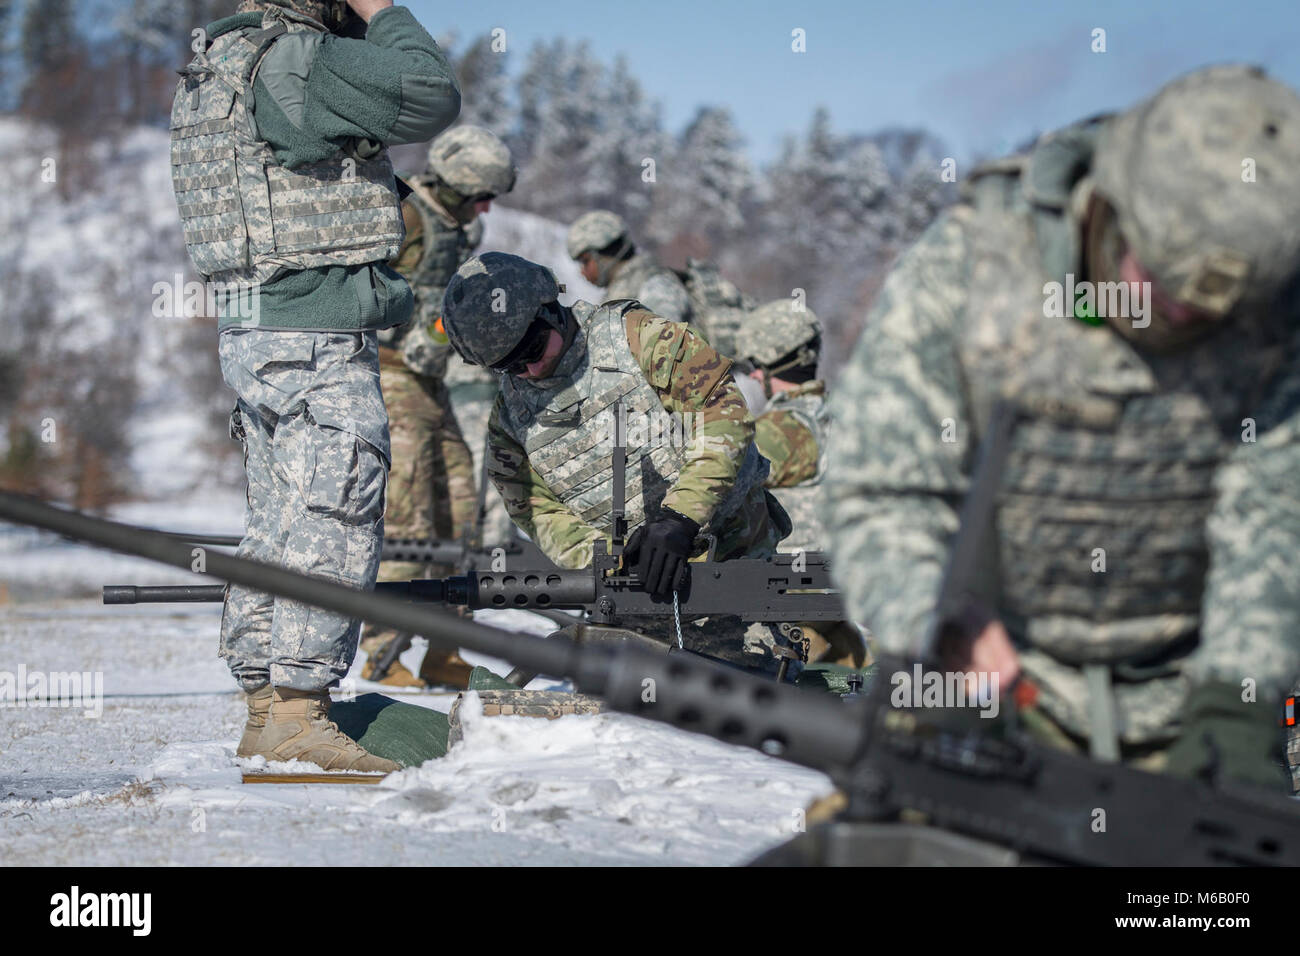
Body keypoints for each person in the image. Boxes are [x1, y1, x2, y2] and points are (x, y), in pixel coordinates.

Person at [823, 65, 1300, 787]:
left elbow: (1273, 516)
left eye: (1212, 313)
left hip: (1195, 699)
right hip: (998, 679)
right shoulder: (971, 265)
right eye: (1160, 284)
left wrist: (1237, 703)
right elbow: (884, 489)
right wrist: (934, 627)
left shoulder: (1278, 320)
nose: (1179, 317)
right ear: (1111, 205)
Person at [170, 0, 459, 771]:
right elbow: (429, 90)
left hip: (257, 331)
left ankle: (268, 712)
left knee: (282, 520)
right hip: (312, 334)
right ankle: (301, 714)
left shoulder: (220, 63)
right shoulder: (296, 59)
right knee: (335, 513)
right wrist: (382, 10)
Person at [439, 252, 799, 666]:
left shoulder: (640, 337)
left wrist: (679, 518)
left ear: (550, 310)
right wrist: (612, 561)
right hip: (639, 599)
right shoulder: (509, 421)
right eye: (509, 366)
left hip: (736, 567)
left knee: (752, 694)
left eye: (533, 349)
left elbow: (722, 415)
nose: (530, 369)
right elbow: (535, 509)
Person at [359, 125, 515, 689]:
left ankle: (447, 647)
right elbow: (366, 290)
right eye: (480, 196)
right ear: (456, 185)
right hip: (392, 378)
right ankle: (382, 653)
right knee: (406, 522)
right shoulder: (407, 217)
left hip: (433, 382)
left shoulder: (454, 227)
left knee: (459, 515)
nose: (486, 208)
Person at [736, 299, 865, 667]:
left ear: (767, 363)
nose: (755, 377)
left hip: (794, 600)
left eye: (754, 366)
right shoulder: (839, 415)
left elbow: (721, 478)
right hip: (834, 595)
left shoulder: (783, 430)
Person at [565, 210, 692, 325]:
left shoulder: (655, 284)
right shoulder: (620, 293)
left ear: (604, 254)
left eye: (585, 261)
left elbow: (667, 342)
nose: (582, 271)